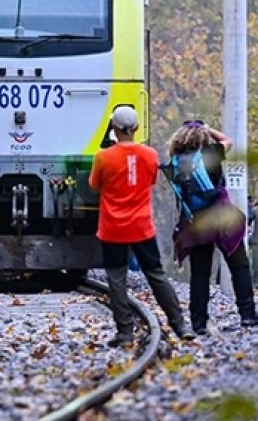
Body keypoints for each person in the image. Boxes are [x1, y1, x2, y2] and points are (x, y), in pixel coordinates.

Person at [88, 108, 195, 347]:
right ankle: (180, 324)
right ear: (136, 128)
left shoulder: (103, 157)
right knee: (156, 275)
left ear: (114, 128)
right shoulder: (150, 155)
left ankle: (125, 332)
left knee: (117, 279)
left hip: (113, 227)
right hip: (141, 227)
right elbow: (150, 181)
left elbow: (94, 186)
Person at [166, 121, 258, 333]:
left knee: (200, 273)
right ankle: (247, 313)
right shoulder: (210, 153)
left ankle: (199, 323)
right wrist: (208, 128)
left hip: (195, 222)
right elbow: (227, 141)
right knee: (238, 264)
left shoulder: (176, 162)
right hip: (221, 218)